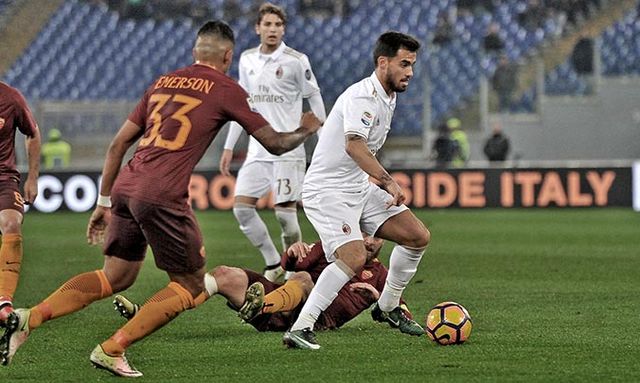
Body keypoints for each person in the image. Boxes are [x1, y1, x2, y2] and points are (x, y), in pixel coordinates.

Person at [0, 20, 321, 376]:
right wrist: (306, 128)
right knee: (192, 284)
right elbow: (275, 143)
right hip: (162, 193)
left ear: (194, 51)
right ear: (228, 55)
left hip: (127, 183)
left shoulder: (162, 83)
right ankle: (112, 348)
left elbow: (118, 144)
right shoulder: (226, 88)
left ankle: (31, 317)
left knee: (115, 276)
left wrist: (104, 201)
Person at [282, 31, 430, 350]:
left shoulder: (388, 97)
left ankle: (388, 306)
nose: (410, 72)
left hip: (357, 189)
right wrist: (388, 180)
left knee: (417, 236)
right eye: (404, 64)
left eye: (413, 65)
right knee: (353, 255)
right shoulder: (363, 96)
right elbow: (354, 145)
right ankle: (301, 327)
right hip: (328, 191)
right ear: (383, 62)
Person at [113, 235, 422, 336]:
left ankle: (259, 305)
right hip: (284, 302)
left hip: (315, 318)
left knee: (304, 281)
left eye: (377, 235)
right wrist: (292, 252)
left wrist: (379, 299)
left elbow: (400, 313)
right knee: (223, 275)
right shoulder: (333, 246)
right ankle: (148, 312)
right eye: (365, 231)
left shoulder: (382, 274)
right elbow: (293, 266)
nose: (369, 241)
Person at [219, 3, 326, 282]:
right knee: (242, 209)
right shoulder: (246, 60)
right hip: (257, 149)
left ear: (283, 29)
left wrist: (322, 138)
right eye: (267, 24)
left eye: (278, 25)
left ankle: (296, 272)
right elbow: (241, 105)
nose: (273, 30)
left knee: (285, 217)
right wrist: (230, 145)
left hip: (288, 150)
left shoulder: (295, 60)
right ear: (257, 28)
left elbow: (313, 96)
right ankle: (272, 262)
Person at [0, 82, 41, 332]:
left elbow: (33, 133)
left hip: (3, 179)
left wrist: (33, 178)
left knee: (12, 223)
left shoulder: (11, 98)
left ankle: (3, 303)